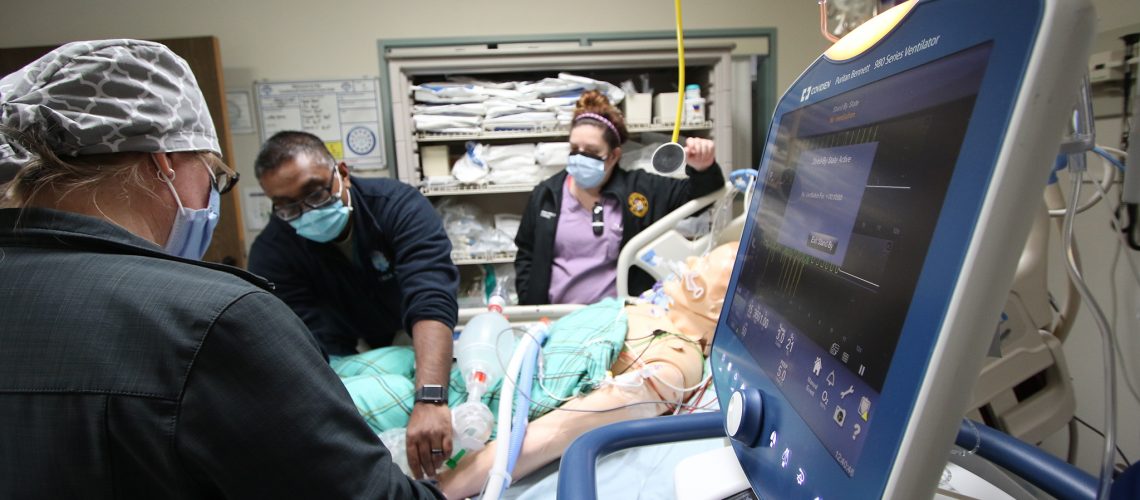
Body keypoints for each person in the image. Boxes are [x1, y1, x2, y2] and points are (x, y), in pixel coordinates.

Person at [0, 39, 441, 498]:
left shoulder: (393, 205)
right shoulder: (217, 319)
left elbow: (428, 288)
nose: (211, 198)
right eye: (215, 178)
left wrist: (430, 396)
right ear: (166, 162)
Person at [248, 130, 459, 480]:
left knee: (433, 396)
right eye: (287, 205)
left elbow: (430, 296)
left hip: (414, 331)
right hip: (343, 352)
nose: (307, 211)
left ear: (342, 173)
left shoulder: (396, 205)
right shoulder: (273, 251)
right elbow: (305, 341)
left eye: (315, 192)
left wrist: (431, 399)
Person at [514, 90, 725, 305]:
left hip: (619, 316)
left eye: (591, 151)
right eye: (575, 148)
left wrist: (703, 168)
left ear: (614, 156)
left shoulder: (640, 190)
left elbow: (698, 195)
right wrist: (530, 303)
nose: (580, 157)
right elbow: (526, 255)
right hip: (555, 316)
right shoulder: (547, 195)